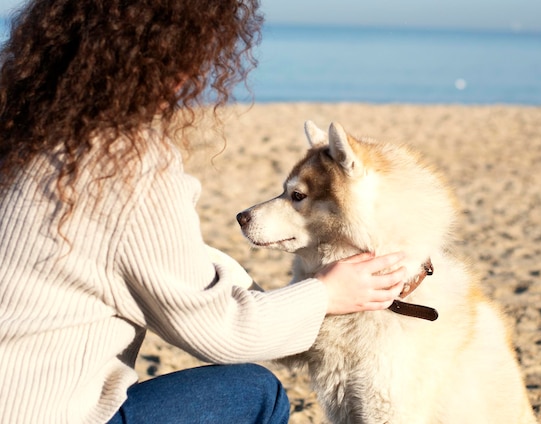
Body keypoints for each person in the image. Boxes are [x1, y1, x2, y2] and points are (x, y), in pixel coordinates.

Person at [0, 0, 407, 423]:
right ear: (177, 59)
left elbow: (142, 260)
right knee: (257, 392)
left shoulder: (24, 134)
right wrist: (326, 293)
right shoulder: (122, 167)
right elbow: (220, 332)